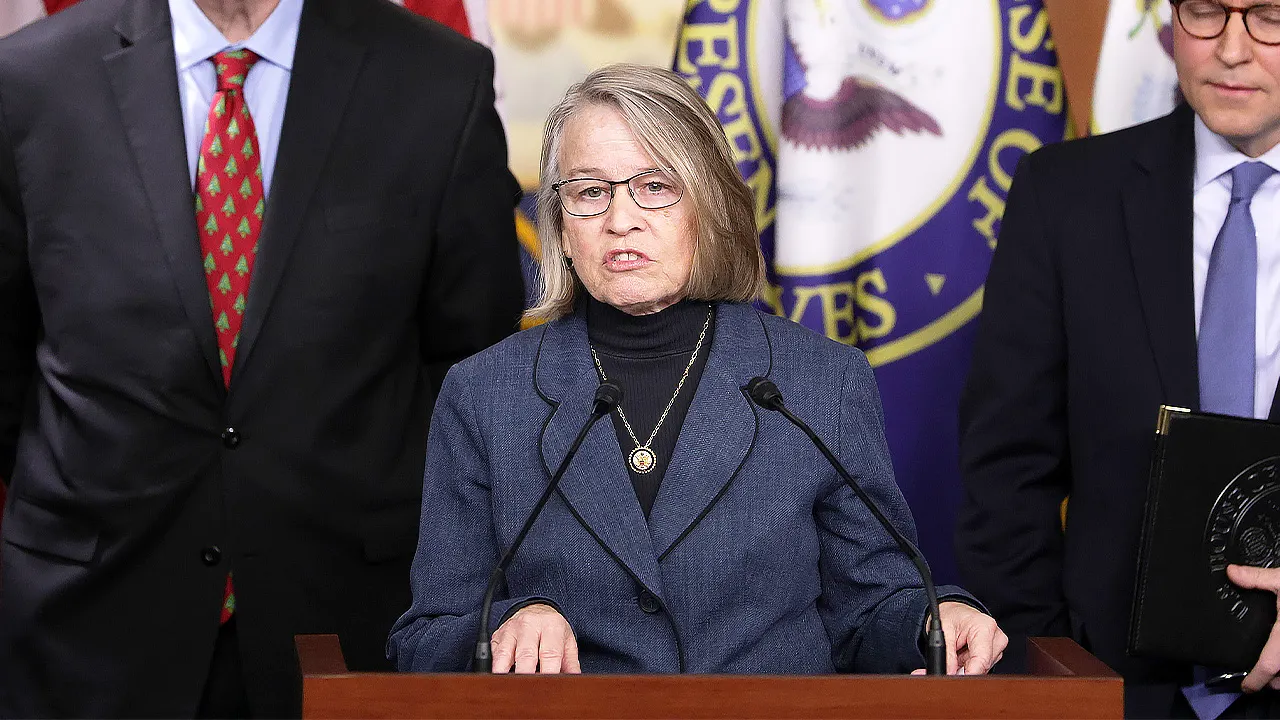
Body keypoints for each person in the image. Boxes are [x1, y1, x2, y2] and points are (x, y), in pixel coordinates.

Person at [388, 63, 1005, 676]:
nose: (620, 219)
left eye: (655, 186)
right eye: (590, 192)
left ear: (708, 208)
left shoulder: (819, 381)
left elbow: (872, 608)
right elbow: (426, 636)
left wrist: (931, 621)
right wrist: (504, 625)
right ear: (561, 226)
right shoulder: (485, 395)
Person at [0, 0, 523, 716]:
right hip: (91, 627)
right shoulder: (31, 78)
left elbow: (474, 367)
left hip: (349, 623)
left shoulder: (437, 79)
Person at [958, 0, 1280, 716]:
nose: (1232, 48)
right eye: (1206, 12)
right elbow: (1007, 467)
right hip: (1109, 687)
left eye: (1268, 16)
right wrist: (1051, 671)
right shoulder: (1066, 194)